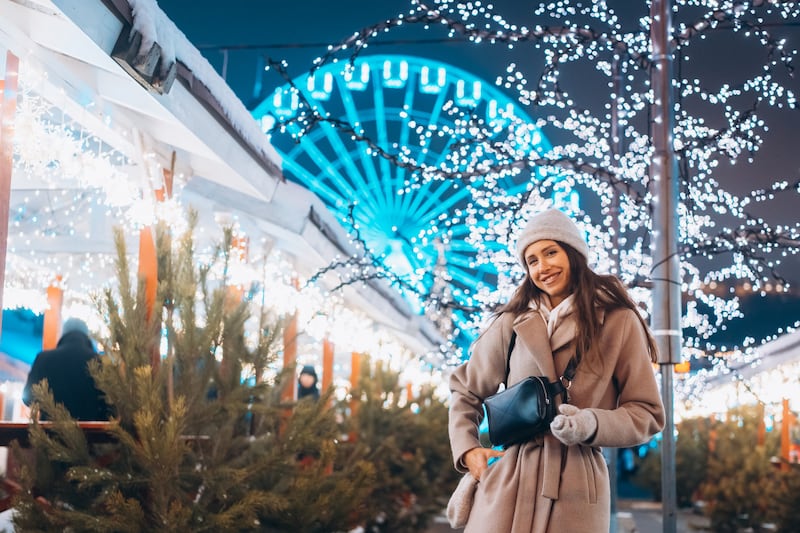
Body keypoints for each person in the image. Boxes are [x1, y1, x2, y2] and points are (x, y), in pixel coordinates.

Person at [448, 208, 665, 532]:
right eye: (532, 260)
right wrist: (468, 451)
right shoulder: (512, 321)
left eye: (551, 252)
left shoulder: (618, 320)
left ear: (573, 253)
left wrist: (590, 423)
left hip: (577, 485)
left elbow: (647, 413)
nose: (542, 267)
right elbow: (466, 391)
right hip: (509, 478)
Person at [23, 318, 110, 421]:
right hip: (90, 430)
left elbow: (28, 398)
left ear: (63, 334)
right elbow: (110, 405)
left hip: (50, 429)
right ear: (87, 336)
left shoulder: (43, 359)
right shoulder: (101, 362)